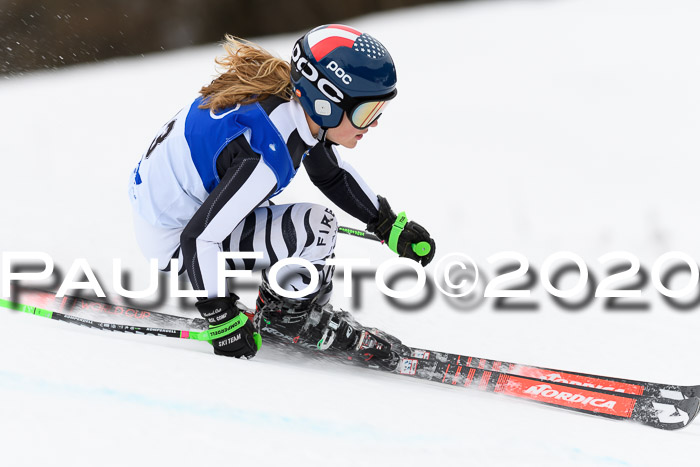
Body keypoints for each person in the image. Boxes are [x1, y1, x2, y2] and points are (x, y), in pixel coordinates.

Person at [128, 24, 436, 365]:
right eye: (366, 112)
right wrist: (220, 317)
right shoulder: (268, 150)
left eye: (379, 111)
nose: (373, 124)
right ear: (326, 104)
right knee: (317, 227)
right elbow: (198, 238)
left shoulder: (289, 104)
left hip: (172, 210)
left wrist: (386, 224)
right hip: (174, 241)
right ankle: (289, 320)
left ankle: (303, 308)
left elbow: (330, 174)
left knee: (313, 234)